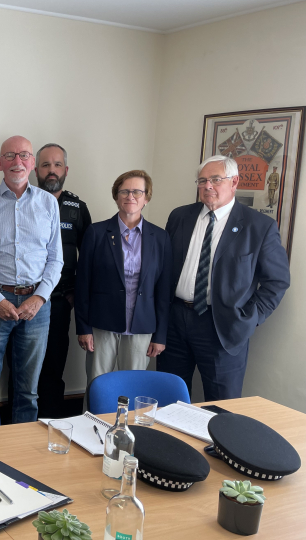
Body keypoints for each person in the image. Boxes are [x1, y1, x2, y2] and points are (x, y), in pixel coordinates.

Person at [158, 155, 290, 400]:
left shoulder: (259, 226)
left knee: (223, 405)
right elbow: (164, 269)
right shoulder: (180, 217)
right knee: (168, 399)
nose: (208, 186)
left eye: (216, 179)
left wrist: (250, 318)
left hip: (222, 326)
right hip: (175, 322)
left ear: (234, 181)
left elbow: (277, 281)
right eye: (202, 181)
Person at [0, 135, 63, 423]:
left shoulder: (48, 204)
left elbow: (56, 259)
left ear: (32, 163)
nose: (17, 161)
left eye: (24, 156)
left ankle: (20, 451)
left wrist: (39, 297)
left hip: (36, 308)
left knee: (29, 391)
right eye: (10, 156)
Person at [74, 170, 172, 389]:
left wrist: (160, 335)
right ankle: (94, 424)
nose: (131, 196)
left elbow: (163, 291)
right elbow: (82, 284)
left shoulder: (160, 238)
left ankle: (129, 425)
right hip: (102, 326)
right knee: (98, 386)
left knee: (133, 388)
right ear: (116, 196)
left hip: (142, 327)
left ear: (146, 198)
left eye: (138, 191)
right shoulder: (96, 233)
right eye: (125, 191)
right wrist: (84, 328)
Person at [33, 143, 91, 418]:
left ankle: (51, 422)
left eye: (57, 165)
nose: (51, 170)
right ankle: (18, 426)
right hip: (25, 300)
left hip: (58, 302)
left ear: (65, 170)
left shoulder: (77, 208)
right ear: (36, 170)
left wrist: (74, 295)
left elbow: (89, 261)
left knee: (54, 366)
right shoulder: (23, 201)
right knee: (23, 366)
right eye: (45, 165)